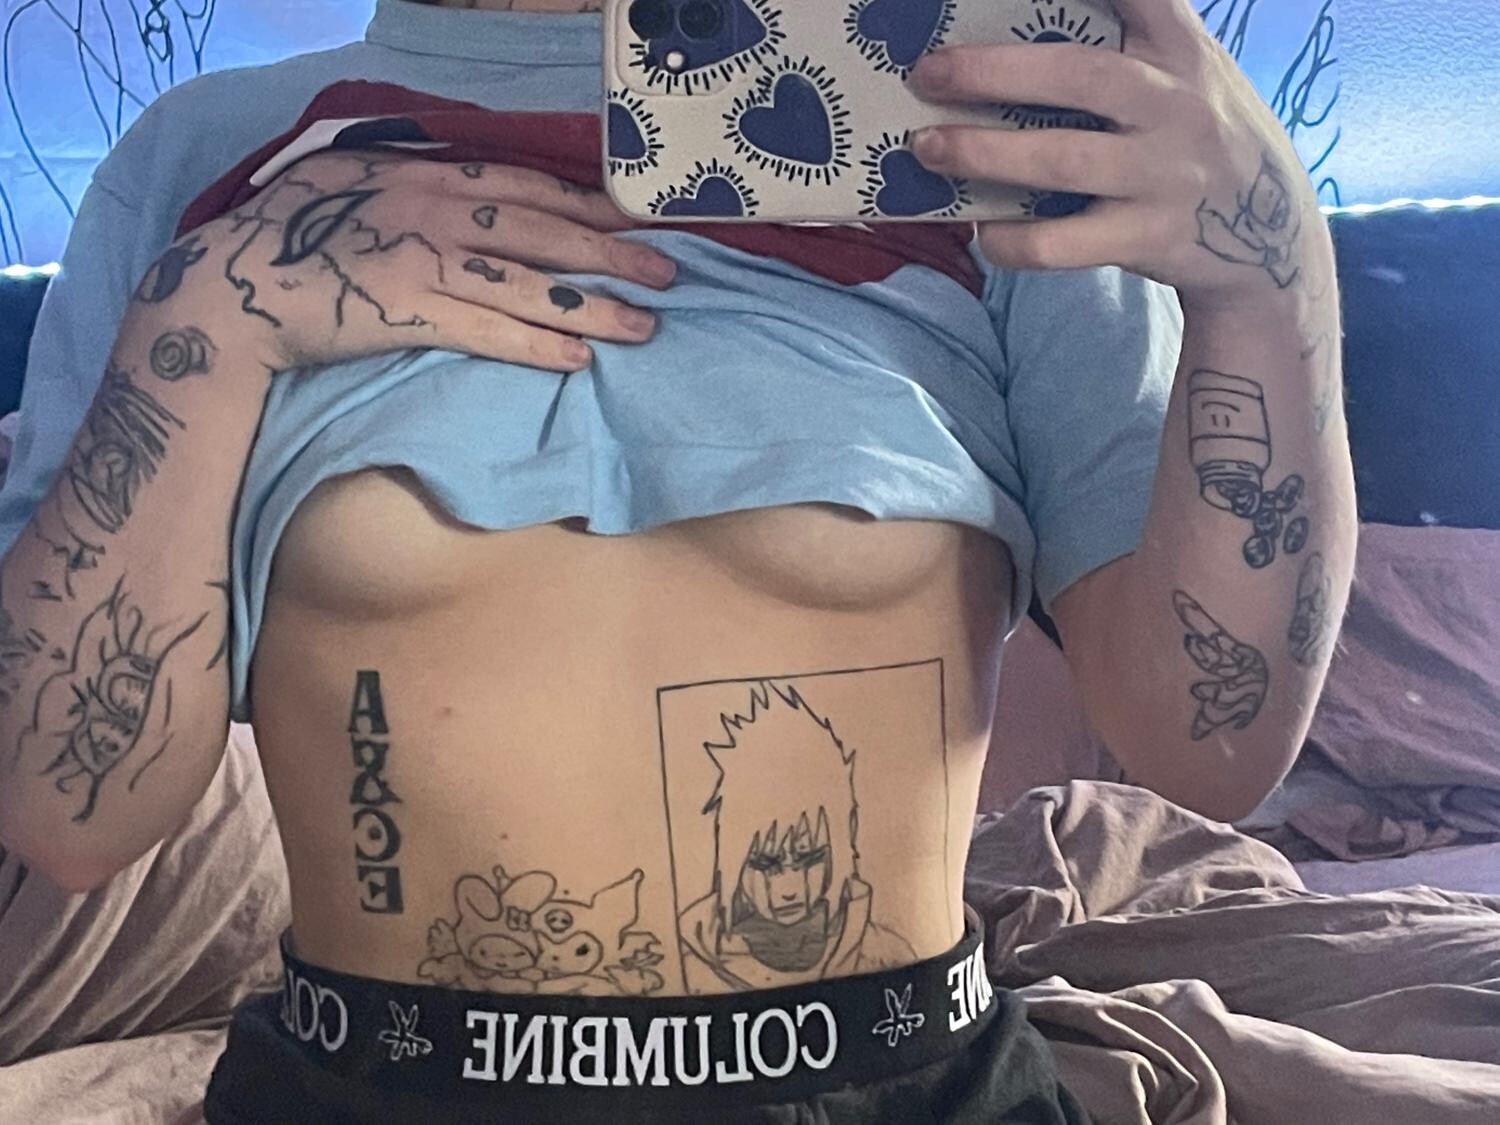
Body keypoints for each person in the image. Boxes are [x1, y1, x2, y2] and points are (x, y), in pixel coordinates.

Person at [0, 0, 1354, 1121]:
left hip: (907, 1085)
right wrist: (208, 325)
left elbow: (1209, 740)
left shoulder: (981, 127)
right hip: (375, 1088)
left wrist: (1270, 263)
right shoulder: (211, 161)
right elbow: (65, 810)